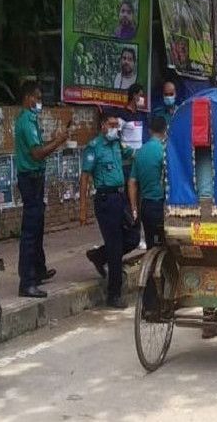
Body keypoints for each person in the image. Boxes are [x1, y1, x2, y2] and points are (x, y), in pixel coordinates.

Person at [14, 81, 69, 298]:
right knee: (30, 230)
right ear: (28, 98)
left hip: (34, 178)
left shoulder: (30, 120)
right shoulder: (26, 122)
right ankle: (26, 282)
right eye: (37, 98)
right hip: (31, 178)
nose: (39, 102)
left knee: (37, 227)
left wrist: (54, 140)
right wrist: (58, 141)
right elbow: (37, 153)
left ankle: (38, 270)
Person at [80, 112, 141, 308]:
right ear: (103, 126)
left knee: (132, 237)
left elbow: (132, 154)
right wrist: (83, 210)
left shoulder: (117, 144)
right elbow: (85, 178)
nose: (116, 128)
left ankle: (99, 256)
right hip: (106, 200)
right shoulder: (94, 147)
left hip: (120, 197)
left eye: (117, 124)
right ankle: (114, 294)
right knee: (115, 247)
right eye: (112, 124)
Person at [129, 116, 167, 249]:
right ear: (165, 130)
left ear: (150, 131)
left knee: (151, 245)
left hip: (145, 206)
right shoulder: (164, 151)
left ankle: (151, 267)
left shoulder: (140, 152)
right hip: (161, 205)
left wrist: (134, 208)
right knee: (164, 246)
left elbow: (132, 182)